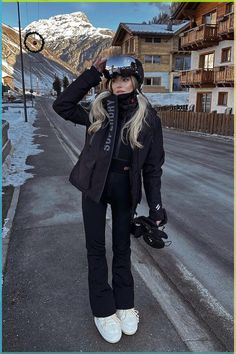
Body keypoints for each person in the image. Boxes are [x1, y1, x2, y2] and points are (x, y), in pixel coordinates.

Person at [52, 55, 165, 344]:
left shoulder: (149, 118)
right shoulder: (98, 110)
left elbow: (152, 168)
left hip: (125, 189)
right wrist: (92, 73)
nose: (119, 84)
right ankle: (103, 310)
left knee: (122, 249)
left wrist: (155, 206)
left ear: (136, 82)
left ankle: (125, 305)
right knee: (96, 249)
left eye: (125, 79)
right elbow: (62, 105)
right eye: (114, 79)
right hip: (94, 185)